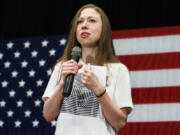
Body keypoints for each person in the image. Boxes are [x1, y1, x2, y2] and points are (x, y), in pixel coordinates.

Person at [42, 3, 133, 135]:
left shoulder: (118, 70)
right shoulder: (62, 66)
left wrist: (99, 89)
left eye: (92, 20)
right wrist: (62, 83)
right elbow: (48, 115)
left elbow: (119, 123)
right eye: (80, 22)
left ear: (104, 29)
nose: (84, 25)